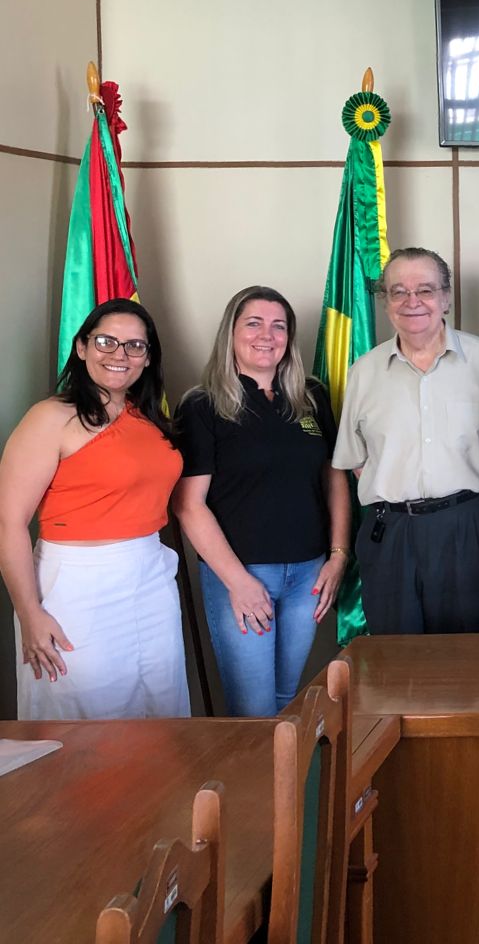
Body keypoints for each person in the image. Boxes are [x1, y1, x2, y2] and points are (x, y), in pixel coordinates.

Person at [0, 299, 186, 719]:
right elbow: (8, 523)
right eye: (106, 341)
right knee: (83, 715)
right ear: (82, 347)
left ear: (147, 357)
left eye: (135, 346)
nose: (120, 354)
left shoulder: (149, 419)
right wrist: (29, 613)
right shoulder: (50, 417)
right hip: (77, 586)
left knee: (161, 708)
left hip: (151, 578)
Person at [173, 286, 350, 715]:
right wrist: (238, 581)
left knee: (287, 701)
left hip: (308, 575)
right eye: (253, 323)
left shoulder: (310, 396)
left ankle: (286, 767)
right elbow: (188, 505)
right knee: (253, 712)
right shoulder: (203, 405)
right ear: (230, 333)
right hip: (241, 574)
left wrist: (338, 555)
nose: (266, 335)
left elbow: (334, 477)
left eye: (278, 326)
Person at [332, 247, 479, 635]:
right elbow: (358, 460)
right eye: (398, 291)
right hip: (390, 532)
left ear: (446, 297)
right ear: (385, 302)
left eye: (425, 290)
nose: (412, 301)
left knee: (466, 655)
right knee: (394, 656)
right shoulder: (364, 372)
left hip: (467, 527)